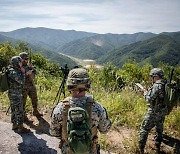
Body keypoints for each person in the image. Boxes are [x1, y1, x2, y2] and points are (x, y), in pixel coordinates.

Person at [50, 68, 112, 154]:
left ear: (69, 85)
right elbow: (105, 130)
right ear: (87, 85)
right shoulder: (98, 108)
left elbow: (54, 132)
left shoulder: (60, 108)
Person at [139, 68, 167, 153]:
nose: (151, 78)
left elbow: (148, 99)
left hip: (154, 111)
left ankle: (141, 148)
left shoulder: (157, 86)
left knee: (144, 128)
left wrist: (144, 92)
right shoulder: (166, 84)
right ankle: (157, 145)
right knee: (159, 128)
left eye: (152, 76)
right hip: (163, 111)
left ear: (155, 76)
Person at [7, 56, 30, 133]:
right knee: (19, 110)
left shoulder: (11, 70)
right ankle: (20, 127)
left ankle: (14, 124)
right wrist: (23, 73)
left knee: (13, 109)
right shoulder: (14, 72)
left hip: (12, 94)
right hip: (16, 94)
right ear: (16, 63)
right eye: (19, 62)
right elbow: (21, 82)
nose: (21, 63)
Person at [19, 52, 42, 118]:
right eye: (25, 59)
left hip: (31, 85)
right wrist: (26, 73)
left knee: (34, 98)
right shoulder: (19, 67)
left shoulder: (28, 66)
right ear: (21, 59)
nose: (27, 60)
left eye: (27, 59)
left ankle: (35, 111)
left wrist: (31, 68)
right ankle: (23, 115)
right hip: (23, 87)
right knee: (23, 101)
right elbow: (18, 77)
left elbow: (35, 72)